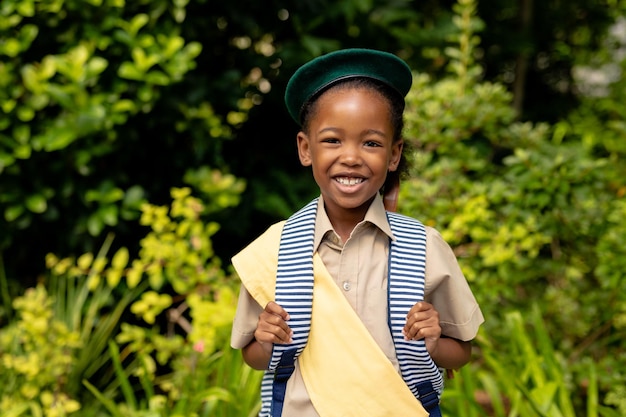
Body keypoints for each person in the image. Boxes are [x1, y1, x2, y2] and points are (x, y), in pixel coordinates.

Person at [230, 48, 484, 417]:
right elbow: (252, 356)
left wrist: (432, 340)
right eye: (332, 140)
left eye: (371, 143)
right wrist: (268, 340)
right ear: (305, 148)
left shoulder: (423, 247)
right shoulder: (274, 249)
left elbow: (461, 350)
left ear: (394, 154)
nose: (351, 156)